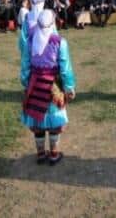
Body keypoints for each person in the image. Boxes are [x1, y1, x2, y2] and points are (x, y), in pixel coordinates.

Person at [20, 9, 76, 166]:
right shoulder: (60, 42)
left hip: (35, 84)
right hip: (53, 86)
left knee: (37, 119)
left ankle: (40, 154)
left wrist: (26, 83)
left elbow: (25, 65)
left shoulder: (30, 41)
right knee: (54, 120)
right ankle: (53, 154)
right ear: (53, 24)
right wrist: (69, 87)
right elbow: (65, 69)